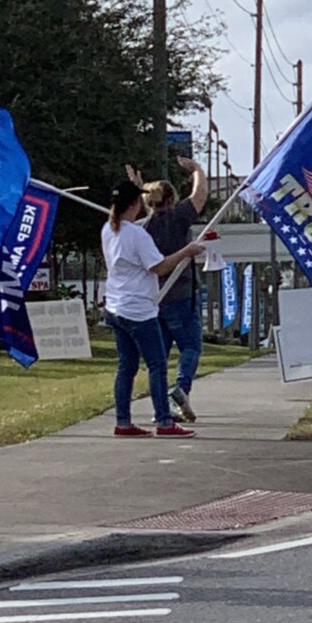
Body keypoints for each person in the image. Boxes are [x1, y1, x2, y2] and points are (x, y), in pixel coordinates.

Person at [102, 179, 205, 438]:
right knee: (157, 364)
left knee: (127, 366)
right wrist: (187, 251)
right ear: (134, 204)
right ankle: (164, 421)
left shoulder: (108, 230)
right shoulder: (137, 234)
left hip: (115, 305)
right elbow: (158, 266)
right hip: (138, 309)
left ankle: (123, 422)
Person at [129, 157, 209, 422]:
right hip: (181, 294)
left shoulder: (143, 228)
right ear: (172, 199)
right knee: (191, 347)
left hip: (154, 297)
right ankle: (182, 388)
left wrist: (137, 188)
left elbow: (138, 210)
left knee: (158, 358)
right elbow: (200, 194)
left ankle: (160, 409)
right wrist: (197, 169)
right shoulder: (179, 218)